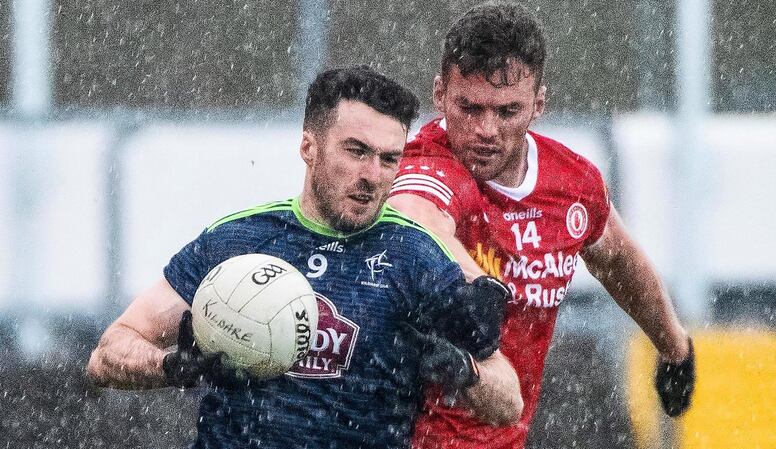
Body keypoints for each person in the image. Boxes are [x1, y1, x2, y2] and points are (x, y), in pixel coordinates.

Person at [86, 66, 520, 449]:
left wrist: (464, 370)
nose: (372, 175)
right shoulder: (238, 242)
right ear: (309, 147)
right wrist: (173, 366)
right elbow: (107, 353)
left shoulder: (418, 259)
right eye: (356, 151)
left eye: (389, 159)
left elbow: (508, 402)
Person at [388, 3, 696, 448]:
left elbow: (617, 259)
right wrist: (477, 288)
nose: (485, 129)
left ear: (538, 105)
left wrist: (675, 347)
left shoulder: (571, 183)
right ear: (440, 95)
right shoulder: (429, 164)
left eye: (507, 111)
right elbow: (417, 220)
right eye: (469, 108)